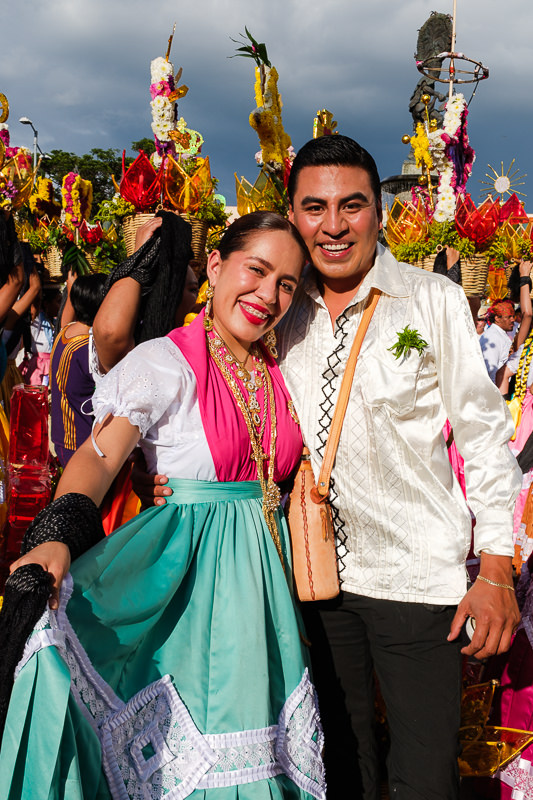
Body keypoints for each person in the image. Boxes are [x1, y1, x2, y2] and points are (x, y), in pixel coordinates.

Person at [140, 135, 522, 800]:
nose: (333, 225)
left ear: (378, 211)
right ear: (291, 213)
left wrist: (494, 567)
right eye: (313, 208)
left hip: (417, 577)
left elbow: (483, 434)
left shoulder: (428, 300)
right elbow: (218, 384)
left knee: (423, 772)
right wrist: (179, 472)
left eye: (351, 205)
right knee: (337, 767)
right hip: (312, 581)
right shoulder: (282, 306)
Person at [0, 211, 325, 800]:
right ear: (217, 266)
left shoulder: (281, 369)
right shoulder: (165, 363)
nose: (268, 294)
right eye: (256, 270)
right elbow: (99, 459)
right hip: (189, 593)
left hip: (268, 596)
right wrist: (56, 532)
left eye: (285, 283)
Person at [50, 272, 107, 467]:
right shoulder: (87, 348)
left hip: (63, 437)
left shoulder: (67, 332)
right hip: (78, 440)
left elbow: (65, 320)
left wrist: (72, 287)